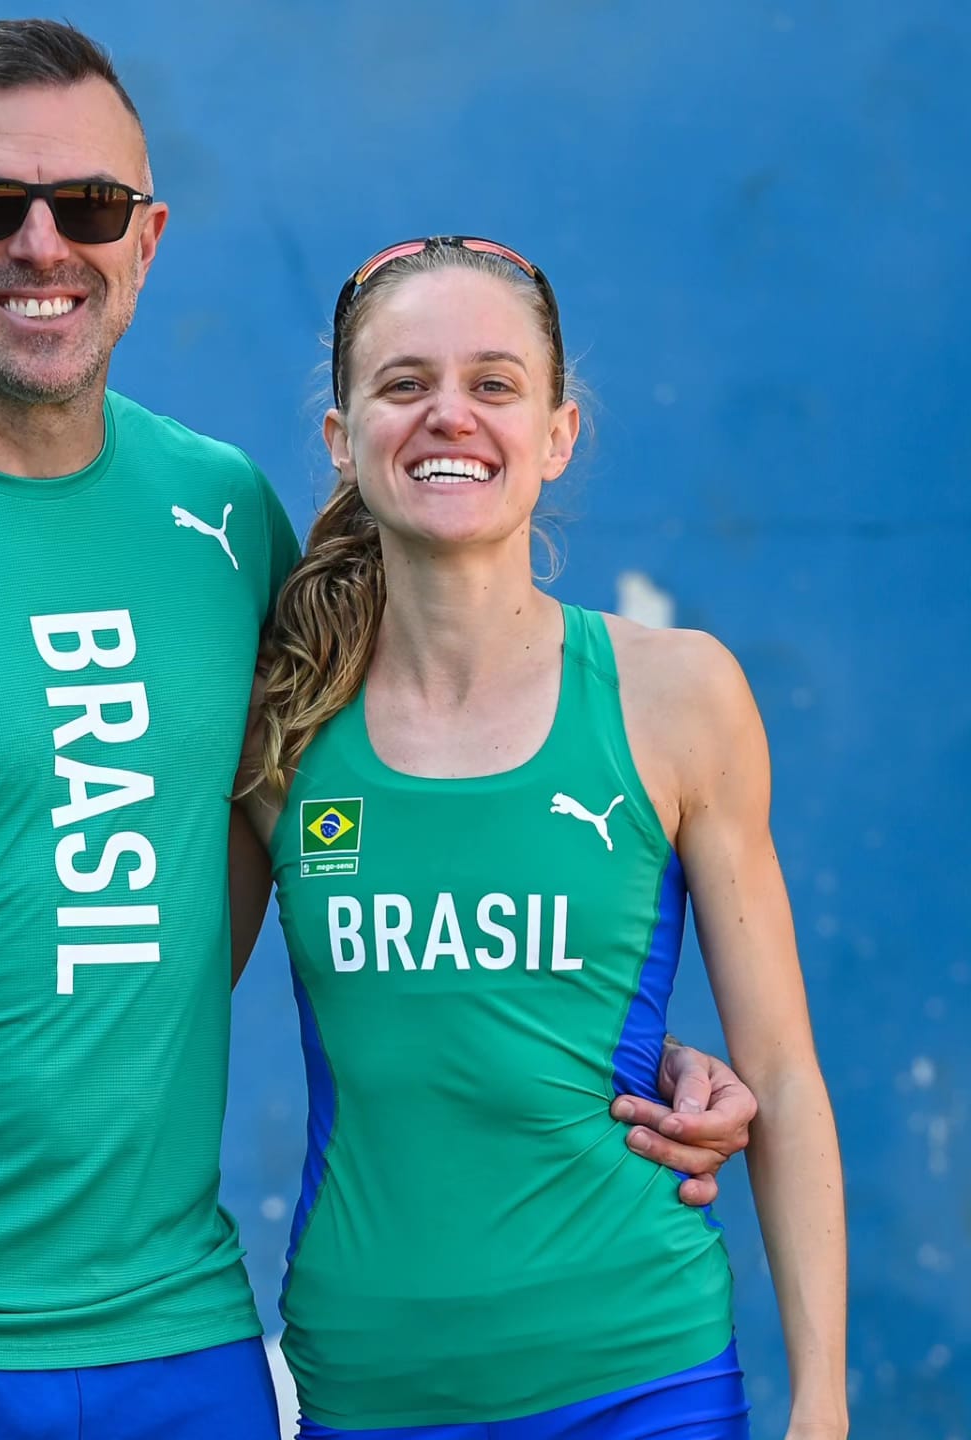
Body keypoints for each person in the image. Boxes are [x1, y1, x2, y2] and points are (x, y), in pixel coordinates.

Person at [0, 20, 755, 1440]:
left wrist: (625, 1056)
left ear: (145, 241)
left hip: (174, 1335)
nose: (40, 244)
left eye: (87, 206)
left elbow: (398, 831)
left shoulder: (225, 518)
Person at [231, 236, 847, 1438]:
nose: (449, 414)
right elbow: (148, 1000)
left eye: (494, 383)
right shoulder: (279, 728)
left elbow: (780, 1072)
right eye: (405, 384)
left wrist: (823, 1404)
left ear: (558, 433)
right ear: (343, 437)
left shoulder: (678, 695)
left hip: (643, 1379)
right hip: (372, 1384)